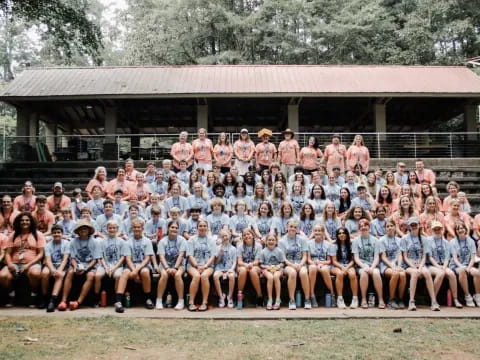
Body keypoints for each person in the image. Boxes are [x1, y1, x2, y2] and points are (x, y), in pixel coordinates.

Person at [0, 212, 45, 308]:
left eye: (27, 220)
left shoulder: (38, 234)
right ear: (18, 222)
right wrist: (9, 264)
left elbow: (41, 253)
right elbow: (7, 253)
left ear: (31, 221)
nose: (24, 222)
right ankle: (11, 294)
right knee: (3, 275)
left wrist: (28, 265)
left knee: (35, 274)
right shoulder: (13, 235)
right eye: (22, 220)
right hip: (15, 262)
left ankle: (34, 294)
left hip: (32, 262)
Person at [114, 219, 156, 313]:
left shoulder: (147, 241)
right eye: (135, 227)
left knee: (145, 272)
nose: (137, 229)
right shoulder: (127, 242)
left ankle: (147, 298)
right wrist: (134, 271)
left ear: (142, 228)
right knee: (125, 273)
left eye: (139, 227)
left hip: (143, 265)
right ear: (132, 229)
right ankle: (118, 301)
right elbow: (128, 259)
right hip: (131, 265)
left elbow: (147, 259)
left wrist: (136, 271)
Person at [60, 220, 102, 311]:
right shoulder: (73, 242)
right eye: (81, 229)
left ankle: (78, 302)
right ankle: (63, 301)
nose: (83, 230)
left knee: (91, 275)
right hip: (77, 264)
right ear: (78, 231)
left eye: (85, 229)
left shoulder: (95, 242)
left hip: (90, 265)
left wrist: (86, 269)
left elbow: (95, 259)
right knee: (70, 272)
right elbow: (73, 258)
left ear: (89, 231)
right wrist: (75, 267)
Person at [401, 217, 439, 311]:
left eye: (415, 225)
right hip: (409, 264)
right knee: (414, 273)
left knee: (426, 273)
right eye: (412, 225)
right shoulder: (404, 238)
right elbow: (405, 257)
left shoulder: (424, 239)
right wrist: (414, 266)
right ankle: (411, 301)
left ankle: (433, 301)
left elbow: (424, 256)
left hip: (420, 263)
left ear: (419, 225)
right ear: (409, 227)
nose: (414, 227)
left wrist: (420, 266)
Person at [426, 221, 461, 308]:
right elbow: (430, 257)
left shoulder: (446, 242)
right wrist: (438, 267)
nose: (437, 231)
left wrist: (444, 267)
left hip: (443, 265)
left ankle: (455, 299)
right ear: (432, 230)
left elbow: (447, 257)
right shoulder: (428, 241)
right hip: (431, 265)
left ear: (442, 230)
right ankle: (433, 300)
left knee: (452, 274)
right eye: (435, 229)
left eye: (439, 229)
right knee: (440, 273)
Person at [278, 219, 311, 310]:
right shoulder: (282, 241)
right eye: (291, 226)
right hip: (288, 264)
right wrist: (292, 265)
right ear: (287, 227)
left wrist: (300, 264)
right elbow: (283, 258)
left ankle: (307, 299)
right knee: (292, 273)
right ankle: (292, 300)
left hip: (300, 263)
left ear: (298, 229)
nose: (293, 228)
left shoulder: (302, 240)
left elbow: (305, 255)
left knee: (303, 273)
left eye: (295, 227)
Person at [352, 219, 384, 309]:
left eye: (365, 225)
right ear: (359, 229)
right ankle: (363, 299)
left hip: (373, 264)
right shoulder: (355, 241)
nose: (363, 227)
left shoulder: (375, 240)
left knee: (376, 273)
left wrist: (372, 267)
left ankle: (381, 299)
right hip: (361, 265)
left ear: (369, 227)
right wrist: (364, 266)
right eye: (361, 226)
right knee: (363, 273)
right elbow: (356, 258)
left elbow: (377, 257)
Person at [186, 219, 217, 311]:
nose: (202, 227)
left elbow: (213, 256)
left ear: (207, 228)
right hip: (193, 265)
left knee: (204, 276)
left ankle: (204, 302)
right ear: (197, 228)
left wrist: (205, 266)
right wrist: (197, 266)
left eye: (204, 226)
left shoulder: (211, 240)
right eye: (200, 226)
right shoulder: (192, 240)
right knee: (196, 276)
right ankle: (191, 302)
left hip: (208, 265)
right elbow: (190, 255)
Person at [156, 221, 187, 310]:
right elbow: (161, 256)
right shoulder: (162, 241)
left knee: (177, 275)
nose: (174, 229)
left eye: (176, 228)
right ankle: (159, 300)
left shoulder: (182, 240)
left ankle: (181, 301)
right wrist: (167, 268)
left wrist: (175, 268)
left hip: (179, 264)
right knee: (164, 275)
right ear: (168, 228)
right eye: (172, 227)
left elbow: (181, 255)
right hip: (164, 264)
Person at [97, 220, 128, 306]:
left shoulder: (121, 241)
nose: (112, 230)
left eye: (114, 228)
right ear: (107, 229)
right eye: (110, 228)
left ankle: (116, 298)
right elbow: (101, 256)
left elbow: (122, 257)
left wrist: (114, 268)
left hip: (117, 265)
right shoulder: (102, 241)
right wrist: (106, 267)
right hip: (105, 264)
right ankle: (96, 297)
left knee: (118, 275)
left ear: (117, 229)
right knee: (97, 275)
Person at [41, 225, 70, 312]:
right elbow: (48, 259)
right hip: (51, 265)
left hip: (63, 266)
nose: (56, 234)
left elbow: (65, 259)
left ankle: (52, 300)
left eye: (58, 232)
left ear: (62, 234)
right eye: (54, 233)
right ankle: (44, 297)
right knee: (44, 273)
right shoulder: (48, 245)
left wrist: (59, 269)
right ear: (52, 234)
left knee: (60, 275)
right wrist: (52, 269)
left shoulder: (66, 243)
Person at [450, 222, 480, 307]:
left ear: (466, 230)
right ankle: (467, 296)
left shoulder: (470, 241)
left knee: (477, 273)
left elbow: (473, 257)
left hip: (468, 264)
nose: (460, 230)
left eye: (462, 228)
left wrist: (469, 267)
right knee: (462, 271)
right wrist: (461, 266)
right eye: (458, 229)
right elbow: (455, 258)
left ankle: (477, 295)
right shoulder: (452, 242)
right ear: (456, 231)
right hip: (456, 265)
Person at [378, 219, 406, 309]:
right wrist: (393, 267)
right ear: (385, 229)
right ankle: (391, 299)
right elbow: (383, 257)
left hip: (397, 265)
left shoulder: (399, 240)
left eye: (391, 226)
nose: (390, 228)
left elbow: (400, 255)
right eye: (387, 226)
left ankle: (400, 299)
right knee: (395, 273)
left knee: (402, 274)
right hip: (386, 265)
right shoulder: (381, 240)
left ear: (395, 227)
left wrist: (399, 266)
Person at [307, 224, 335, 308]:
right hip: (313, 264)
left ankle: (332, 293)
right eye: (315, 230)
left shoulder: (328, 244)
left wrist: (321, 263)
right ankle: (312, 295)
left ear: (323, 232)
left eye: (319, 231)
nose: (317, 232)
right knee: (312, 268)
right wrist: (315, 264)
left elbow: (329, 260)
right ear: (313, 232)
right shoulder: (308, 243)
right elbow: (308, 259)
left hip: (324, 264)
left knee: (324, 270)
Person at [331, 227, 359, 308]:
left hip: (349, 265)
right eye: (339, 233)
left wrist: (347, 267)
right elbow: (334, 261)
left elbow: (353, 260)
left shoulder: (351, 244)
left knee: (352, 274)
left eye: (343, 233)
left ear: (347, 234)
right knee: (339, 274)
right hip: (337, 265)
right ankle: (340, 299)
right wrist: (342, 267)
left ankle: (355, 299)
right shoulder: (334, 245)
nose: (341, 235)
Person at [258, 234, 286, 310]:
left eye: (273, 240)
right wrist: (267, 267)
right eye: (269, 240)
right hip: (267, 269)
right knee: (270, 277)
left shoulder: (279, 251)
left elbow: (283, 262)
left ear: (276, 241)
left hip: (277, 269)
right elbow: (261, 264)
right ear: (266, 242)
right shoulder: (263, 251)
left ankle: (278, 299)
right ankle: (270, 299)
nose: (271, 241)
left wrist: (278, 266)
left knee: (276, 277)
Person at [236, 228, 263, 306]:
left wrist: (251, 264)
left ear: (253, 235)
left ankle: (259, 296)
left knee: (252, 271)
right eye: (244, 235)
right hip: (243, 265)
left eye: (248, 234)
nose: (246, 236)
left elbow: (257, 261)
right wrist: (246, 265)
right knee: (243, 271)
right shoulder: (240, 246)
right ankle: (239, 295)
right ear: (242, 237)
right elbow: (239, 261)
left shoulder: (258, 246)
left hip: (255, 266)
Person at [213, 229, 237, 308]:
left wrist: (231, 269)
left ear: (229, 236)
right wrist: (219, 254)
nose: (225, 238)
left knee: (231, 276)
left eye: (226, 235)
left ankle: (229, 296)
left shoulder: (233, 249)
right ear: (220, 238)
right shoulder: (218, 247)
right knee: (215, 276)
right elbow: (216, 262)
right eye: (222, 236)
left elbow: (234, 262)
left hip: (229, 268)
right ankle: (221, 297)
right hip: (220, 268)